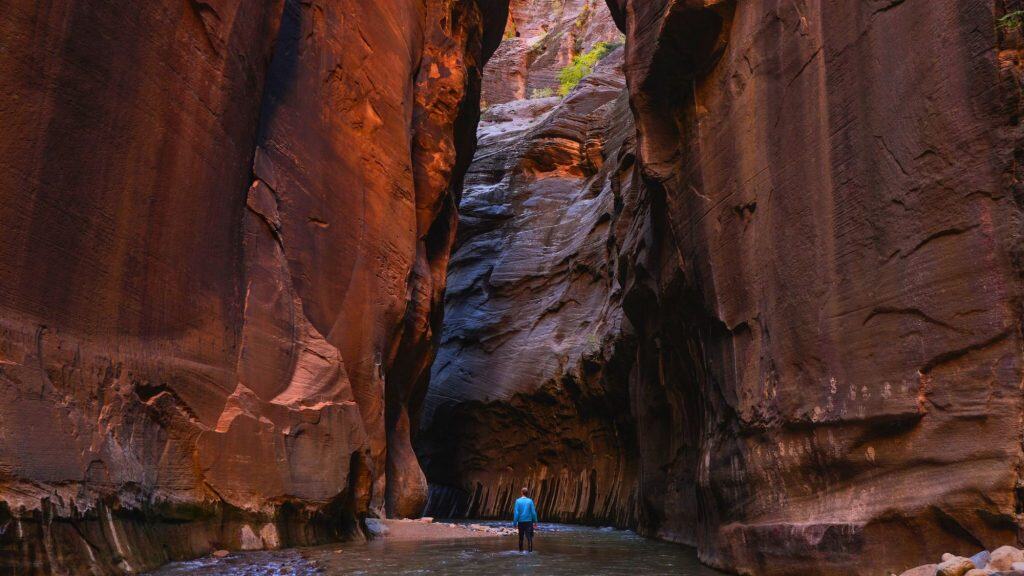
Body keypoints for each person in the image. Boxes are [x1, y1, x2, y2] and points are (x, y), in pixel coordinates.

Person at [513, 487, 538, 552]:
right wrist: (535, 522)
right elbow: (533, 512)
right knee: (529, 538)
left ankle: (520, 552)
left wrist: (515, 523)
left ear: (521, 492)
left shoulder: (518, 501)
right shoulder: (530, 501)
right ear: (527, 493)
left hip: (520, 522)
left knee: (521, 538)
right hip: (529, 522)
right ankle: (530, 552)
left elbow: (516, 513)